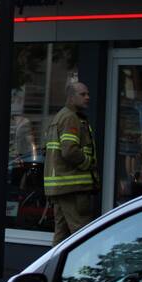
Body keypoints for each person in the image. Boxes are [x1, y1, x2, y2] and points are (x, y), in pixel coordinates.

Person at [43, 81, 99, 245]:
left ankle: (54, 269)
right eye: (83, 94)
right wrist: (88, 163)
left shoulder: (60, 116)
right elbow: (69, 151)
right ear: (71, 97)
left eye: (87, 93)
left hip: (62, 188)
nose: (87, 97)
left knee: (61, 237)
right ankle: (81, 270)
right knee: (83, 234)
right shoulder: (70, 118)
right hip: (73, 188)